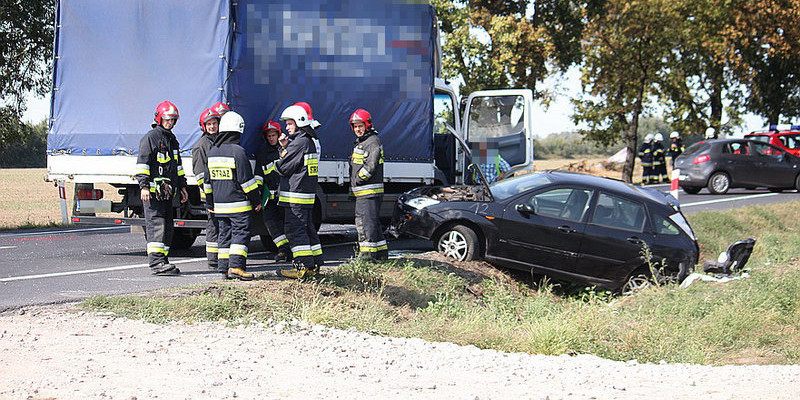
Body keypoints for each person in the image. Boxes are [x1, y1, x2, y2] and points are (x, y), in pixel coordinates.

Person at [202, 111, 262, 280]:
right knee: (240, 234)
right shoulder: (238, 151)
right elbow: (247, 181)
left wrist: (210, 203)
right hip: (238, 205)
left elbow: (207, 183)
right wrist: (256, 200)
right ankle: (236, 267)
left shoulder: (212, 152)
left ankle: (223, 269)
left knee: (224, 235)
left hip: (220, 206)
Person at [135, 100, 189, 275]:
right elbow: (143, 164)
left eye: (173, 120)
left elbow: (177, 166)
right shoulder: (150, 138)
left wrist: (182, 186)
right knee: (156, 225)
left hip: (167, 192)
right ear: (159, 118)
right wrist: (144, 187)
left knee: (167, 226)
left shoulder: (172, 140)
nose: (170, 123)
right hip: (152, 193)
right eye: (167, 119)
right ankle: (156, 263)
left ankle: (164, 260)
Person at [275, 103, 322, 279]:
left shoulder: (299, 142)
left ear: (300, 122)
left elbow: (283, 167)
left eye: (289, 124)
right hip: (305, 196)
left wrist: (281, 153)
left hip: (295, 197)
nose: (286, 128)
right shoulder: (308, 141)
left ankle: (302, 267)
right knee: (308, 230)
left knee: (295, 231)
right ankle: (314, 265)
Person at [349, 109, 388, 260]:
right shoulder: (364, 142)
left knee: (365, 224)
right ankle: (381, 254)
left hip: (368, 192)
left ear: (368, 125)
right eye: (355, 126)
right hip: (365, 192)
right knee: (373, 224)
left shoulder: (372, 142)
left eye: (360, 126)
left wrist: (358, 179)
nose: (357, 129)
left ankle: (367, 256)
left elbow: (370, 167)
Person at [254, 120, 292, 262]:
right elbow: (258, 175)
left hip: (285, 194)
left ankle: (292, 250)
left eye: (273, 135)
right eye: (268, 136)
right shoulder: (262, 153)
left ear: (278, 135)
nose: (271, 138)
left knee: (288, 223)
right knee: (270, 222)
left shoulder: (285, 149)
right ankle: (283, 250)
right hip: (270, 197)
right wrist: (257, 195)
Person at [191, 107, 222, 270]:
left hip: (222, 191)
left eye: (214, 123)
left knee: (222, 224)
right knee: (213, 224)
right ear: (204, 126)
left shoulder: (220, 141)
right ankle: (212, 258)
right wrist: (209, 194)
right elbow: (200, 174)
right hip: (210, 193)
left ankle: (221, 256)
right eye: (209, 124)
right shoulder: (201, 146)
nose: (212, 126)